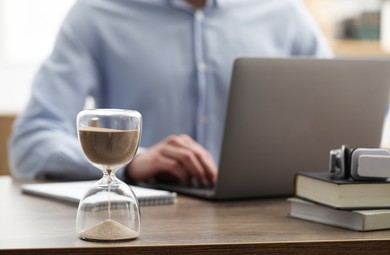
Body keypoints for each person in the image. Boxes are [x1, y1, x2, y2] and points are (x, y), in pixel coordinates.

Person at [8, 0, 333, 186]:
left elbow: (341, 111)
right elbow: (31, 142)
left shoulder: (286, 13)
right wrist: (132, 160)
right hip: (143, 227)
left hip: (264, 225)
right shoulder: (97, 13)